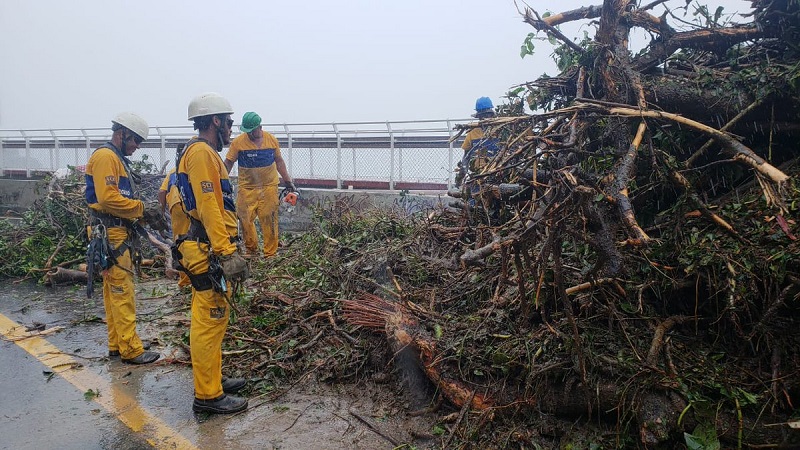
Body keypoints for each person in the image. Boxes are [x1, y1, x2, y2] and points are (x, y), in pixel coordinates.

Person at [175, 92, 249, 414]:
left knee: (214, 319)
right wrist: (225, 249)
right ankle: (207, 396)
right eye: (230, 122)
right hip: (208, 249)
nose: (232, 130)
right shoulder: (202, 153)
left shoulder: (201, 152)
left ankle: (213, 378)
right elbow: (208, 206)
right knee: (210, 318)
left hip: (206, 246)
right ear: (215, 121)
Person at [85, 112, 161, 365]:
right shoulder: (107, 157)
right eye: (135, 141)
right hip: (111, 232)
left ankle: (117, 343)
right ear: (122, 134)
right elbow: (108, 198)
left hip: (112, 231)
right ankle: (130, 349)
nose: (136, 146)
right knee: (122, 291)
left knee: (113, 291)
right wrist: (141, 209)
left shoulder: (116, 158)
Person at [224, 111, 295, 259]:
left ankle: (270, 253)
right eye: (247, 132)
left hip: (268, 187)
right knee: (244, 219)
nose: (250, 134)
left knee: (269, 219)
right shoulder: (238, 143)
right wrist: (221, 180)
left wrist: (288, 181)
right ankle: (252, 251)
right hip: (246, 188)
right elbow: (229, 162)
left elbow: (279, 161)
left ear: (259, 127)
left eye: (252, 131)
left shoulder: (271, 140)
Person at [157, 163, 190, 288]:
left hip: (176, 206)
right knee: (196, 241)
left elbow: (161, 192)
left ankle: (185, 280)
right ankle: (192, 279)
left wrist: (162, 213)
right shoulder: (194, 165)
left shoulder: (173, 171)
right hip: (191, 204)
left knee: (180, 243)